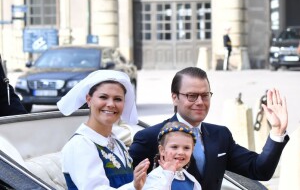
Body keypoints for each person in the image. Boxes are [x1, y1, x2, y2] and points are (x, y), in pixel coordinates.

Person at [129, 67, 289, 190]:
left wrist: (277, 131)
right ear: (175, 97)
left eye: (205, 95)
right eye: (192, 96)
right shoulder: (149, 138)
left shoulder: (220, 135)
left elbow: (259, 170)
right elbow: (128, 184)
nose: (200, 102)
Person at [57, 70, 150, 190]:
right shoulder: (81, 145)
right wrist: (134, 187)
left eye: (117, 99)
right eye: (103, 97)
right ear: (89, 100)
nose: (111, 104)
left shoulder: (117, 143)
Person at [144, 121, 202, 190]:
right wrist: (168, 174)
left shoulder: (192, 181)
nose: (181, 152)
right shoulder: (155, 177)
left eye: (186, 148)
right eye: (174, 147)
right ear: (162, 150)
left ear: (192, 150)